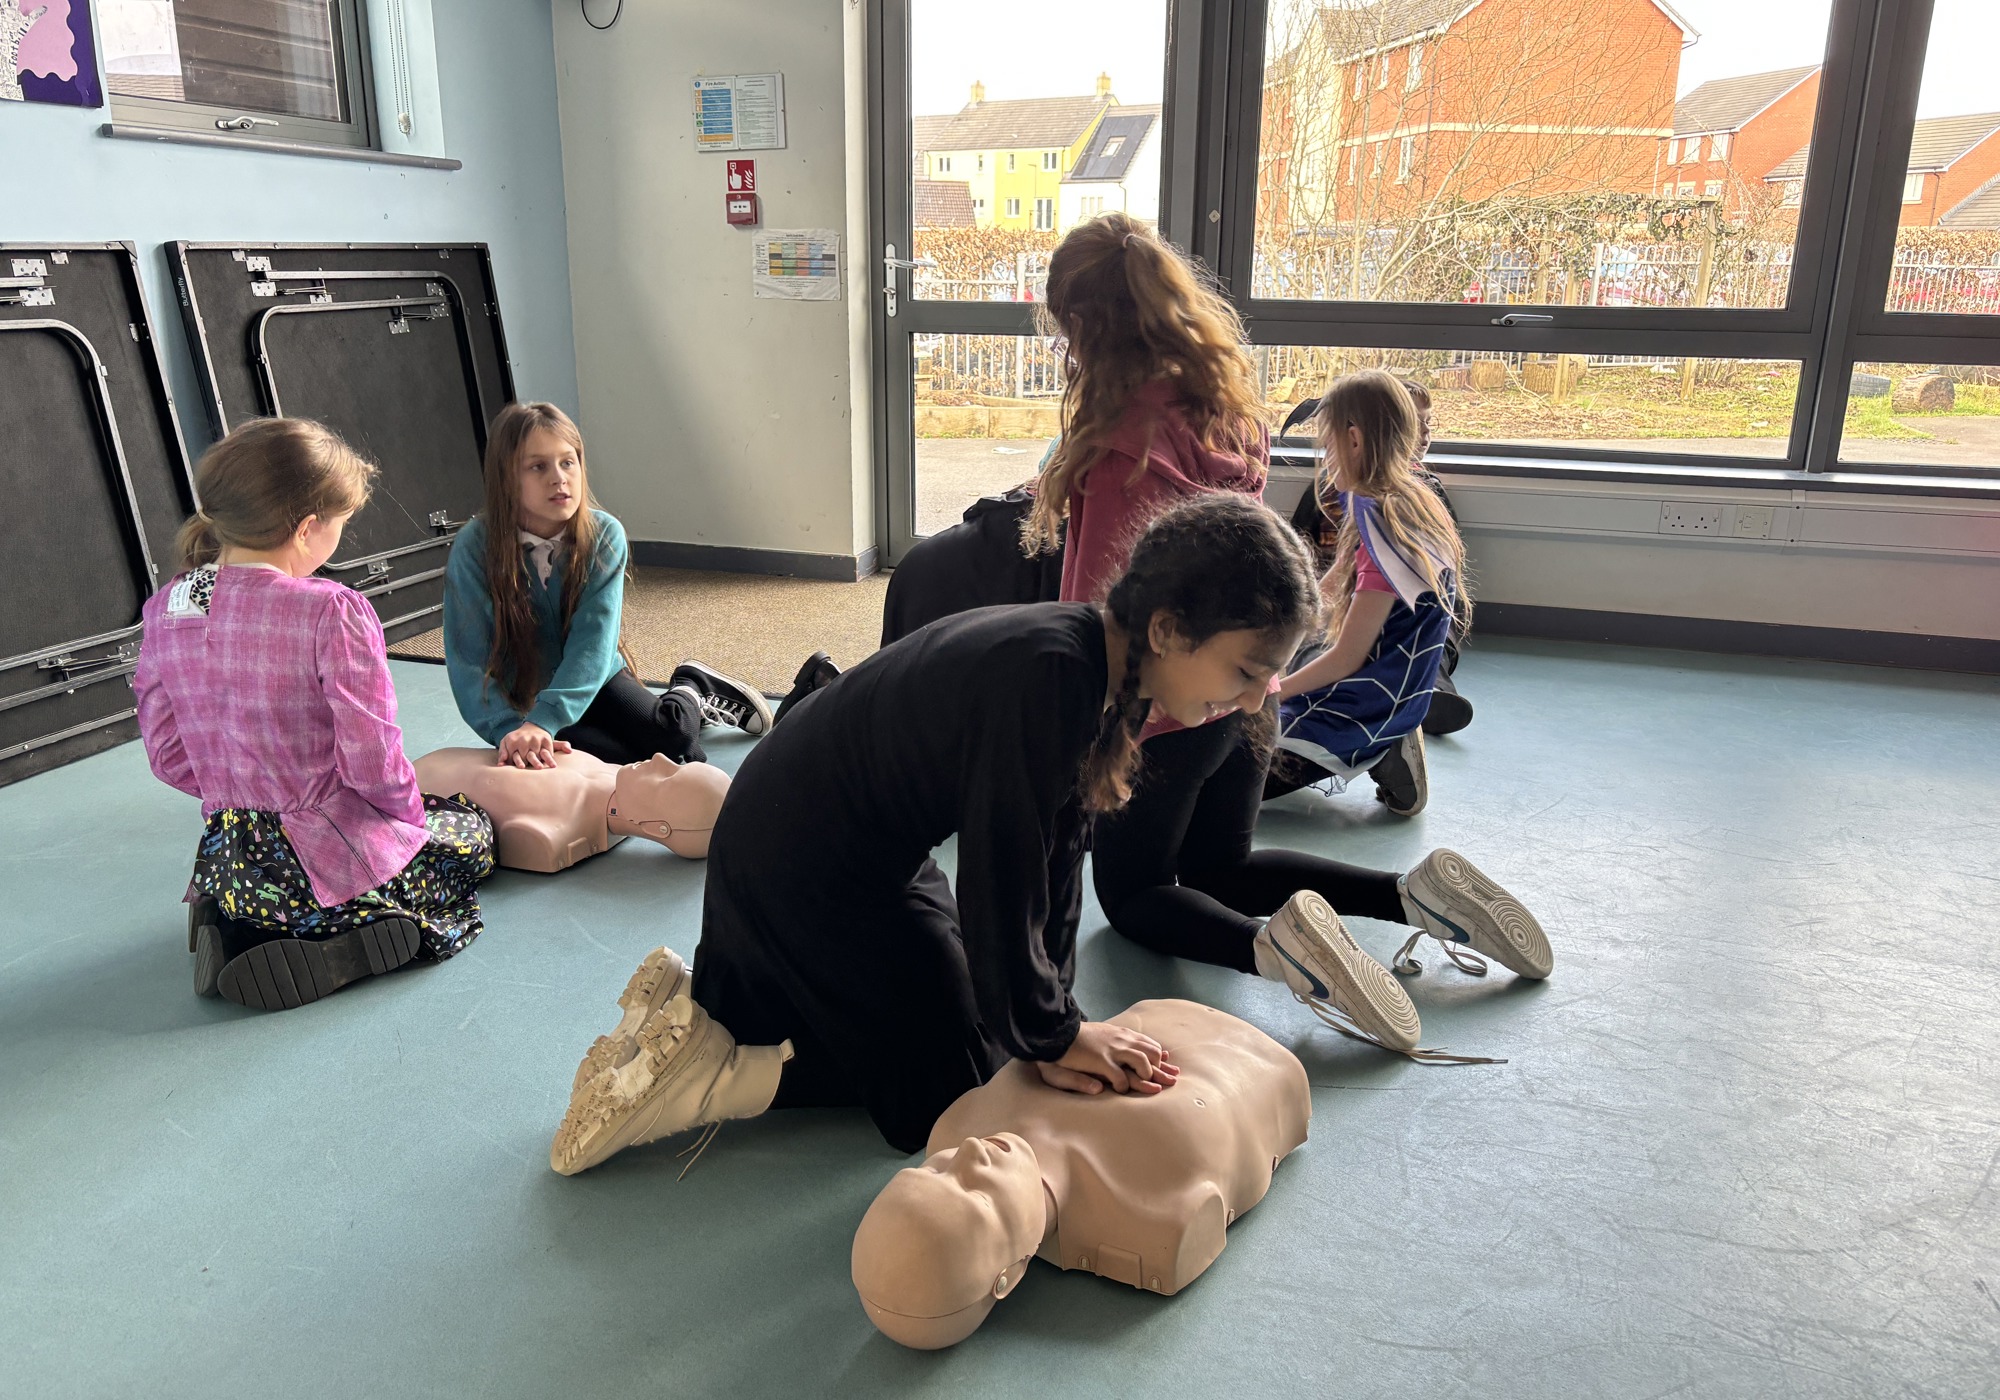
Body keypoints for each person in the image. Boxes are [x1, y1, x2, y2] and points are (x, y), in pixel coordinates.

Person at [548, 496, 1422, 1176]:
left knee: (1000, 1031)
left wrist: (1061, 1022)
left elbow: (1057, 861)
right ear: (1168, 629)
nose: (1258, 697)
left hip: (848, 843)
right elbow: (1002, 880)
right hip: (805, 860)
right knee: (955, 1083)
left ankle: (712, 1022)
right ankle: (709, 1072)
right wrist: (1056, 1036)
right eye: (1247, 670)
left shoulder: (1099, 667)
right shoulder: (1051, 680)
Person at [1021, 225, 1547, 1040]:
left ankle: (1278, 954)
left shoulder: (1122, 435)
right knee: (1220, 867)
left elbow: (1110, 601)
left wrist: (1095, 726)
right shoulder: (1228, 410)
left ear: (1085, 323)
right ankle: (1407, 894)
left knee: (1130, 902)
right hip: (1252, 686)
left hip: (1164, 709)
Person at [133, 418, 496, 1012]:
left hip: (231, 855)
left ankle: (233, 922)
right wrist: (405, 820)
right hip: (319, 861)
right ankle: (339, 944)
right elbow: (370, 759)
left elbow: (168, 753)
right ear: (307, 529)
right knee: (468, 835)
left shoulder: (168, 605)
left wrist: (238, 793)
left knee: (266, 884)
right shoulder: (331, 610)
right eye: (338, 526)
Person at [443, 402, 769, 771]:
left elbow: (593, 643)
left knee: (674, 745)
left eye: (568, 462)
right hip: (526, 695)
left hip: (595, 676)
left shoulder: (603, 534)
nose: (559, 478)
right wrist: (509, 728)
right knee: (611, 765)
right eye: (538, 466)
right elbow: (468, 657)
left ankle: (691, 687)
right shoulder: (475, 546)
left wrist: (545, 720)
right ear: (505, 478)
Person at [1266, 372, 1469, 814]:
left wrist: (1270, 692)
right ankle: (1393, 742)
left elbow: (1347, 658)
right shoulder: (1381, 496)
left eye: (1327, 439)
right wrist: (1272, 648)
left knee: (1229, 780)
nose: (1325, 453)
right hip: (1380, 683)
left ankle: (1387, 748)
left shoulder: (1388, 524)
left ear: (1354, 439)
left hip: (1370, 701)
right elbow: (1330, 586)